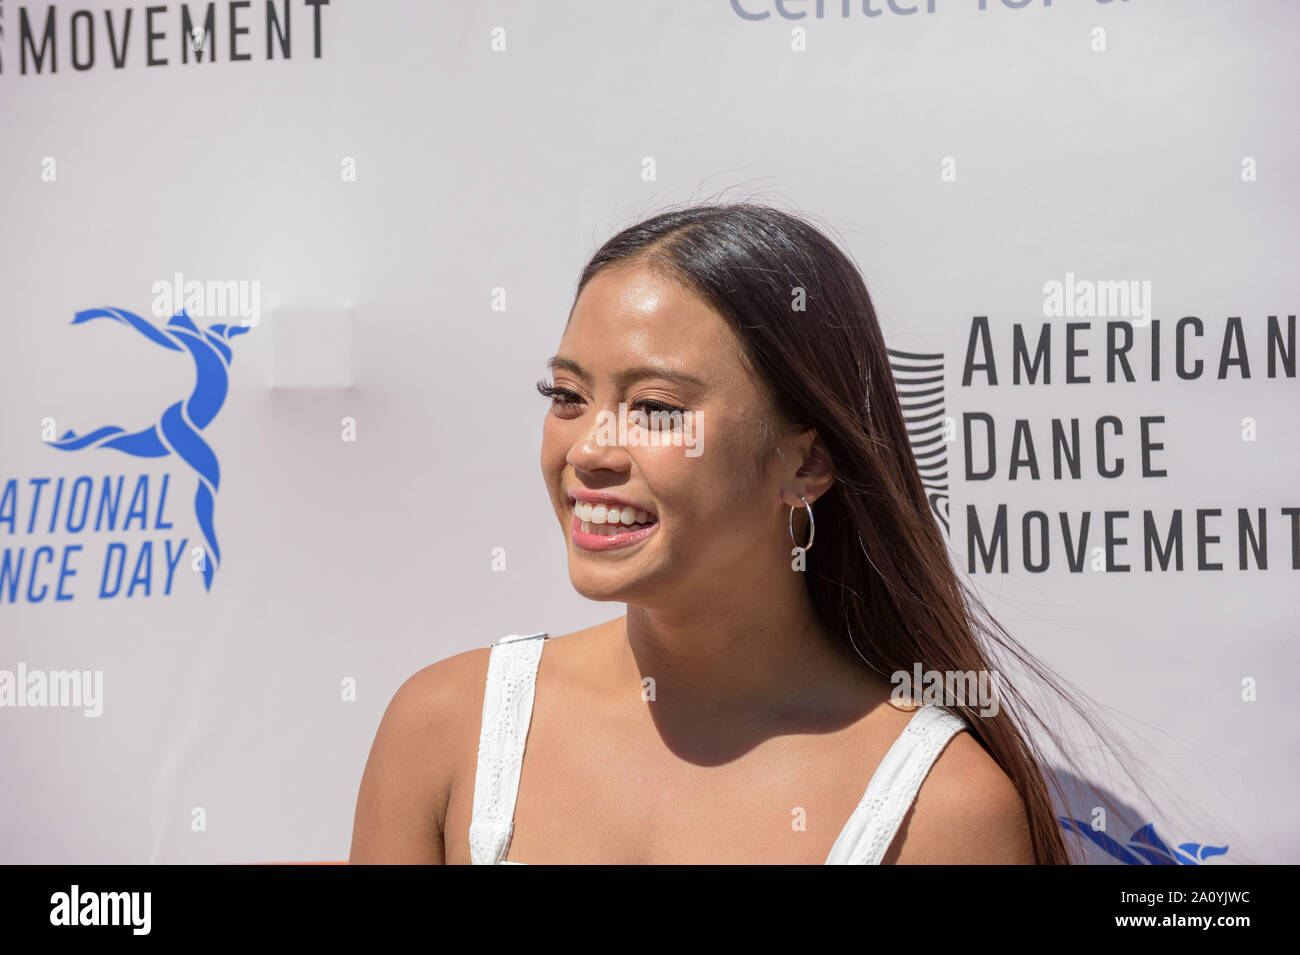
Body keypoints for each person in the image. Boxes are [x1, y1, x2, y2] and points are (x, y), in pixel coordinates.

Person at [350, 201, 1086, 864]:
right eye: (567, 395)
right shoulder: (449, 728)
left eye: (657, 407)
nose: (588, 450)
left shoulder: (943, 808)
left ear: (808, 461)